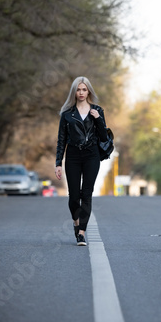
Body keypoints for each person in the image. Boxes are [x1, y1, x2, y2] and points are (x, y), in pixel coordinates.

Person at [55, 76, 108, 246]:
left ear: (89, 91)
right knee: (74, 196)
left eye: (84, 89)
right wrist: (58, 163)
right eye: (78, 89)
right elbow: (61, 140)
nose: (81, 92)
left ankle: (82, 233)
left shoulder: (97, 110)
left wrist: (98, 118)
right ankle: (76, 223)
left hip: (92, 155)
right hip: (73, 156)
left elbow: (104, 136)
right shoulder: (67, 115)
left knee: (87, 194)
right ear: (74, 92)